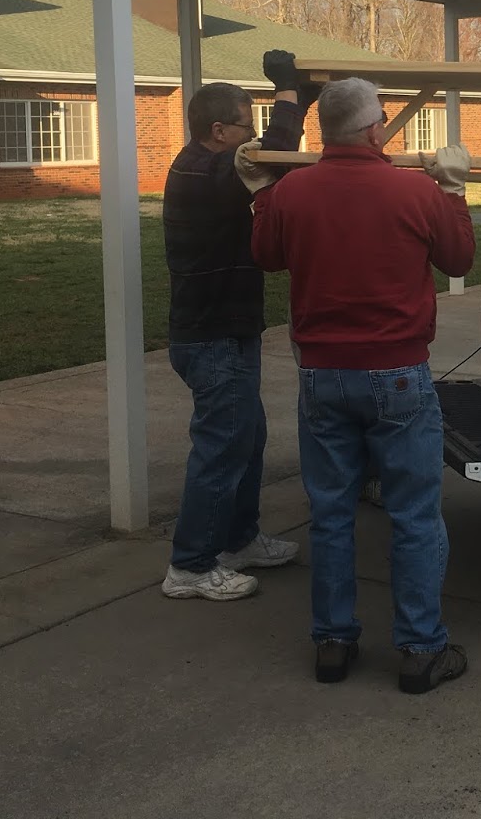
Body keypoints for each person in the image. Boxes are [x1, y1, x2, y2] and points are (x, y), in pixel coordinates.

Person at [247, 78, 476, 693]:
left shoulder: (294, 190)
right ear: (376, 130)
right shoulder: (414, 189)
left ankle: (333, 643)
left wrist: (263, 196)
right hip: (398, 374)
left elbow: (266, 254)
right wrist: (453, 189)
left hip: (321, 375)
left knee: (329, 514)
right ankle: (421, 650)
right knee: (415, 516)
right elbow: (458, 260)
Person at [159, 52, 315, 602]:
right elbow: (274, 154)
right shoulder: (206, 172)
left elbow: (273, 153)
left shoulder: (212, 168)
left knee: (247, 439)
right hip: (212, 337)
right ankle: (191, 566)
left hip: (225, 330)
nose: (253, 135)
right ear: (219, 130)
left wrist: (301, 100)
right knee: (222, 446)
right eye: (247, 124)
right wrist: (289, 93)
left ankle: (239, 540)